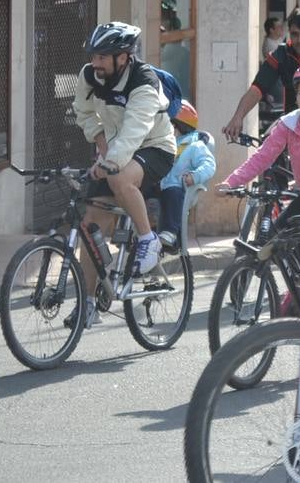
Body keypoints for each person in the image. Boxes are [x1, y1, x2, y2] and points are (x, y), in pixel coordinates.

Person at [72, 22, 178, 325]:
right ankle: (88, 303)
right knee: (90, 226)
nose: (96, 63)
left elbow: (135, 131)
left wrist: (112, 160)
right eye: (94, 56)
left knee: (119, 178)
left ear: (124, 57)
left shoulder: (143, 83)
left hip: (155, 148)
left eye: (103, 57)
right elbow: (82, 111)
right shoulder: (90, 75)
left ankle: (148, 240)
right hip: (116, 149)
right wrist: (102, 146)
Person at [221, 62, 300, 291]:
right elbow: (262, 157)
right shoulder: (288, 123)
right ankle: (299, 290)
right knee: (276, 237)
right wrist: (231, 182)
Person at [223, 8, 300, 139]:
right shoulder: (281, 54)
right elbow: (257, 88)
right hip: (295, 125)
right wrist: (237, 117)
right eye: (295, 34)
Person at [157, 100, 215, 252]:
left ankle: (170, 232)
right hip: (160, 186)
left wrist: (194, 177)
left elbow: (209, 164)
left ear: (177, 125)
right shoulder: (163, 143)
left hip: (178, 188)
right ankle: (138, 232)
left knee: (172, 192)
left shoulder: (195, 145)